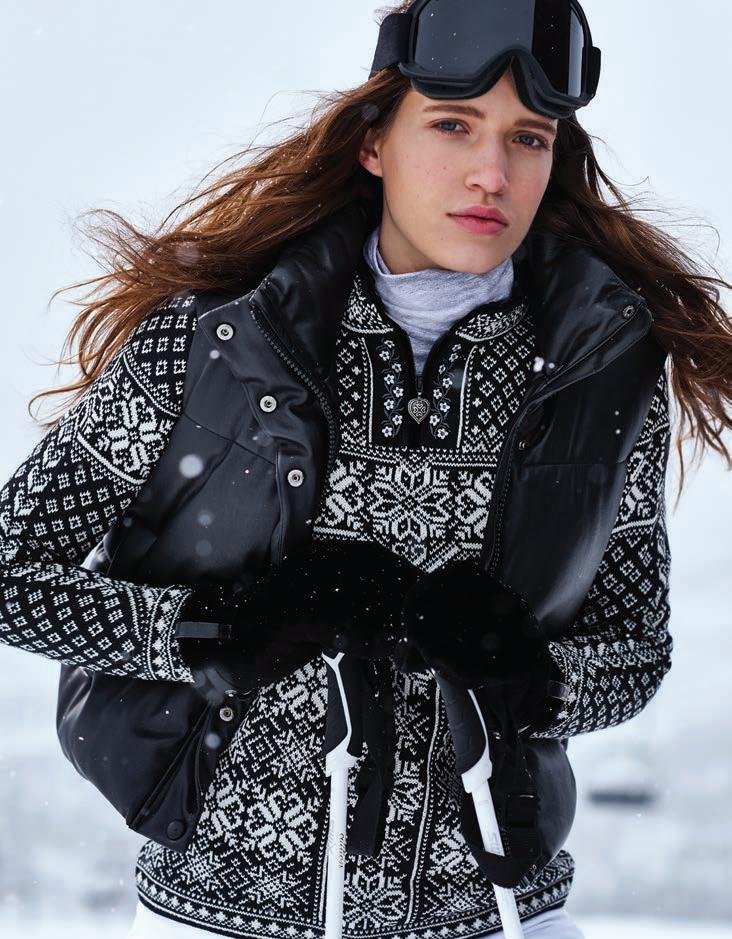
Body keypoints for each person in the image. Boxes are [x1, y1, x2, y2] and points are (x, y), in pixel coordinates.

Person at [1, 1, 730, 937]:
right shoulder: (215, 342)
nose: (492, 173)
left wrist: (534, 676)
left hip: (502, 916)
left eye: (529, 139)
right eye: (453, 125)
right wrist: (220, 629)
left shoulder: (601, 366)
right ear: (374, 141)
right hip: (219, 915)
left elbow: (636, 644)